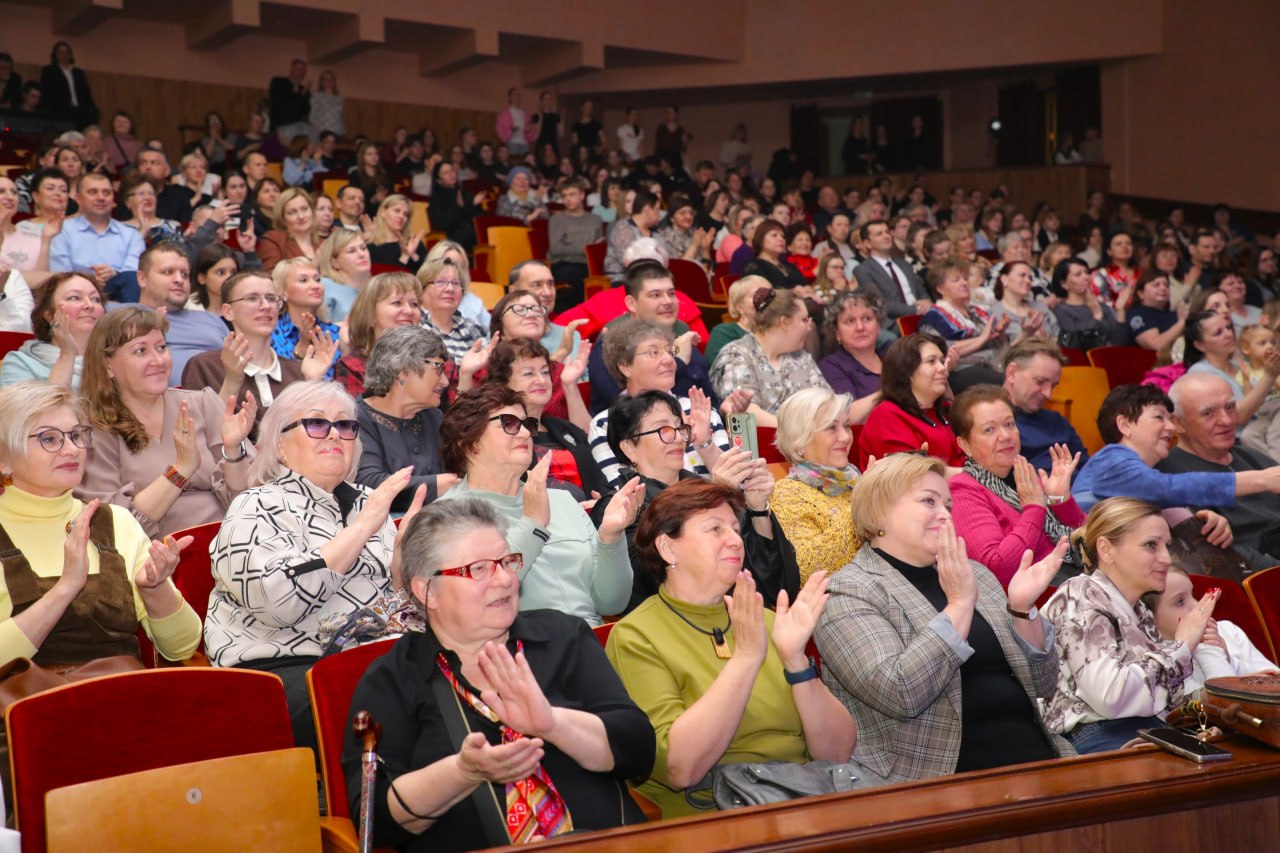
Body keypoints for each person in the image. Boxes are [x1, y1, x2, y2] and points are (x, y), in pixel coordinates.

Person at [342, 497, 654, 852]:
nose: (505, 579)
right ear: (426, 590)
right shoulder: (393, 679)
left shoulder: (563, 637)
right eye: (479, 569)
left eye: (507, 562)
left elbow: (638, 750)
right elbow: (374, 821)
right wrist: (463, 772)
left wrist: (553, 724)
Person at [605, 477, 859, 817]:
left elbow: (837, 753)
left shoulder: (765, 620)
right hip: (716, 815)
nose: (735, 540)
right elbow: (681, 769)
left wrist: (796, 660)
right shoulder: (636, 637)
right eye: (714, 529)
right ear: (668, 548)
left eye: (734, 528)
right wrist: (745, 658)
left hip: (802, 799)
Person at [815, 452, 1073, 780]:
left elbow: (1044, 683)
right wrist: (960, 604)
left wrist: (1021, 609)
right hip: (934, 781)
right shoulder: (848, 591)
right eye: (928, 501)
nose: (946, 515)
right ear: (878, 511)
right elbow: (900, 692)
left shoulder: (975, 574)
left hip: (1036, 759)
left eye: (947, 506)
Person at [205, 380, 416, 749]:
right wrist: (362, 527)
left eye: (346, 425)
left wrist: (401, 564)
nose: (335, 434)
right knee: (405, 701)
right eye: (317, 424)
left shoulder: (369, 502)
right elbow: (281, 604)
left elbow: (394, 608)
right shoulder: (255, 506)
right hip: (283, 674)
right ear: (280, 446)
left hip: (371, 662)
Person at [0, 382, 202, 668]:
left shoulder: (116, 522)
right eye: (49, 439)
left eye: (75, 435)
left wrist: (155, 589)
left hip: (124, 699)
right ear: (4, 459)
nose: (71, 449)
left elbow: (182, 648)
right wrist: (66, 587)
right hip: (29, 708)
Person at [438, 385, 641, 626]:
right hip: (517, 651)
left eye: (527, 424)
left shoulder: (561, 500)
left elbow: (611, 603)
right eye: (509, 423)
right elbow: (483, 598)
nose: (525, 433)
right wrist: (533, 524)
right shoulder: (448, 516)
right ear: (469, 444)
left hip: (591, 642)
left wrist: (610, 536)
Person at [594, 391, 797, 612]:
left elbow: (780, 584)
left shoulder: (707, 487)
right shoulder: (621, 508)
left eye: (680, 428)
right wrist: (714, 498)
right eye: (664, 430)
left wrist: (758, 510)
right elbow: (653, 578)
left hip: (749, 612)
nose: (680, 438)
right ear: (630, 447)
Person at [1042, 498, 1219, 753]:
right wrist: (1182, 646)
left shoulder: (1140, 611)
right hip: (1096, 737)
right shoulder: (1081, 593)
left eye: (1166, 546)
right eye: (1151, 545)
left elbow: (1160, 695)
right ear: (1106, 550)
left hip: (1145, 729)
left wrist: (1209, 712)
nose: (1166, 558)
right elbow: (1111, 698)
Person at [76, 308, 254, 540]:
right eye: (141, 351)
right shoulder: (93, 428)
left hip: (234, 544)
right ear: (108, 366)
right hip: (156, 560)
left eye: (161, 347)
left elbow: (251, 499)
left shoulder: (202, 402)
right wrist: (181, 470)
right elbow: (113, 525)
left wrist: (233, 452)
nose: (158, 360)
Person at [948, 385, 1085, 585]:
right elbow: (996, 570)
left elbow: (1089, 540)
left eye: (1009, 424)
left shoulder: (1027, 475)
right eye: (989, 429)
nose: (1005, 435)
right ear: (965, 444)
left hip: (1073, 578)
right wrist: (1034, 508)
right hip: (1035, 599)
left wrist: (1060, 500)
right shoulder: (963, 491)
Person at [589, 317, 734, 487]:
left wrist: (704, 444)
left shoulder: (698, 410)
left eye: (670, 351)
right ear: (625, 366)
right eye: (654, 353)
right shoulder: (606, 423)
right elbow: (621, 489)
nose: (669, 360)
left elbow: (732, 484)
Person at [181, 271, 333, 431]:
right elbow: (199, 435)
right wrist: (231, 381)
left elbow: (320, 434)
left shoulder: (299, 371)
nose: (266, 306)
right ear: (228, 311)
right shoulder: (204, 366)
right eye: (252, 298)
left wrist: (313, 382)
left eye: (271, 298)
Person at [1159, 372, 1280, 569]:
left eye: (1230, 407)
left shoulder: (1250, 455)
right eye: (1208, 413)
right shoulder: (1172, 478)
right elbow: (1223, 555)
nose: (1226, 420)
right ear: (1178, 423)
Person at [585, 259, 715, 414]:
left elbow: (708, 397)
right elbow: (628, 406)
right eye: (655, 295)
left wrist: (726, 409)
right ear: (632, 303)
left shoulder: (681, 333)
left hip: (701, 429)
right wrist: (678, 361)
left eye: (671, 293)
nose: (667, 301)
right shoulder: (612, 344)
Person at [486, 337, 604, 497]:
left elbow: (591, 442)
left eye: (545, 372)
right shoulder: (500, 433)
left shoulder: (564, 428)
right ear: (503, 382)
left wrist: (569, 385)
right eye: (529, 373)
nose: (541, 380)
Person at [355, 326, 455, 512]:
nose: (445, 381)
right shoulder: (356, 419)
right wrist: (438, 484)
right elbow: (367, 485)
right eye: (438, 368)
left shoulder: (434, 417)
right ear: (403, 371)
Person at [771, 388, 864, 584]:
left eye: (847, 426)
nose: (846, 437)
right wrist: (865, 506)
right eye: (832, 428)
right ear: (800, 441)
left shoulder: (858, 481)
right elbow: (806, 569)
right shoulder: (787, 494)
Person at [1143, 567, 1278, 695]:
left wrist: (1229, 659)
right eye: (1180, 602)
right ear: (1149, 618)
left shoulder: (1226, 629)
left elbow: (1275, 678)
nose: (1197, 605)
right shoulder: (1157, 662)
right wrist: (1207, 648)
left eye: (1193, 594)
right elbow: (1222, 704)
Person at [710, 288, 829, 428]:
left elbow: (828, 403)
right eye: (804, 320)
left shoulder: (801, 356)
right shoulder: (737, 354)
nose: (809, 327)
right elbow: (747, 412)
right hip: (765, 445)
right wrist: (804, 434)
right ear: (784, 322)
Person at [123, 241, 229, 385]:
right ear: (142, 278)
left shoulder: (212, 320)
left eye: (184, 274)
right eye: (168, 272)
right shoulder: (120, 315)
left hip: (223, 399)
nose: (179, 280)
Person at [857, 333, 964, 471]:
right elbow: (914, 477)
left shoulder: (946, 409)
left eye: (942, 361)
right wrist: (977, 476)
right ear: (907, 371)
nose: (943, 368)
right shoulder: (887, 418)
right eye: (931, 361)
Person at [49, 173, 144, 303]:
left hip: (120, 294)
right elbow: (59, 273)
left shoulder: (131, 235)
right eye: (93, 192)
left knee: (132, 278)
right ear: (78, 198)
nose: (101, 198)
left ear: (113, 199)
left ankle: (130, 321)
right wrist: (89, 278)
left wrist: (114, 273)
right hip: (75, 292)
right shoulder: (62, 231)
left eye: (106, 193)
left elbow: (134, 274)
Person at [0, 272, 103, 390]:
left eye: (95, 299)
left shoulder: (114, 359)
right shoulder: (21, 363)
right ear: (49, 315)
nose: (89, 305)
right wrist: (67, 354)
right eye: (74, 298)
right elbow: (52, 408)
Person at [1002, 339, 1088, 473]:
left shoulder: (1058, 422)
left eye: (1053, 386)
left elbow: (1087, 469)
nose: (1048, 394)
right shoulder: (994, 425)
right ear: (1012, 373)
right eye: (1040, 382)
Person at [919, 262, 1011, 386]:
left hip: (995, 361)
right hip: (963, 369)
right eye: (956, 280)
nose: (964, 283)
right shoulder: (933, 316)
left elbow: (998, 345)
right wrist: (981, 339)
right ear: (940, 288)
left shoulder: (977, 312)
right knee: (1010, 381)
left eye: (965, 279)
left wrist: (1000, 333)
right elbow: (942, 350)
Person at [334, 271, 423, 398]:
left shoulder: (435, 362)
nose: (409, 311)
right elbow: (356, 416)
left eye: (414, 304)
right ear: (370, 315)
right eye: (397, 302)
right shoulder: (353, 366)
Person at [818, 290, 885, 422]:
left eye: (867, 319)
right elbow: (847, 416)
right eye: (850, 321)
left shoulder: (892, 358)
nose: (860, 327)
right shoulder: (831, 366)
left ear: (878, 326)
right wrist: (891, 391)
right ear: (837, 332)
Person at [853, 219, 930, 330]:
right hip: (894, 322)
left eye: (887, 232)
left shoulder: (904, 264)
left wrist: (926, 303)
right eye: (879, 234)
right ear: (867, 244)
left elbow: (921, 291)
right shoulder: (863, 270)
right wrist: (916, 310)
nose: (886, 236)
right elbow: (880, 303)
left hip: (922, 315)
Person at [271, 257, 340, 374]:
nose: (315, 286)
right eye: (303, 280)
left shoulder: (333, 331)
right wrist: (303, 344)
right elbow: (284, 381)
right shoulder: (270, 332)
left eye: (317, 279)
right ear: (282, 292)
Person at [418, 256, 487, 366]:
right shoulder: (413, 328)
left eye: (455, 283)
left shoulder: (471, 328)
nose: (450, 289)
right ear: (421, 290)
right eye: (441, 282)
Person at [548, 177, 603, 312]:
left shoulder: (595, 220)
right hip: (563, 264)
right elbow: (556, 249)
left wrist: (571, 244)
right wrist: (586, 247)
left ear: (582, 195)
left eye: (572, 194)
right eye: (564, 196)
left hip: (587, 266)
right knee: (573, 276)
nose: (568, 199)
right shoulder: (557, 219)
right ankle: (578, 314)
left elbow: (596, 249)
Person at [1051, 257, 1129, 350]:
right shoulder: (1061, 310)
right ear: (1064, 284)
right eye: (1078, 274)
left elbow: (1121, 343)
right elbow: (1074, 344)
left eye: (1087, 272)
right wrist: (1097, 316)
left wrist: (1120, 310)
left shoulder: (1103, 307)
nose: (1086, 277)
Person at [705, 275, 769, 370]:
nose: (767, 301)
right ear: (740, 307)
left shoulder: (781, 330)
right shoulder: (724, 332)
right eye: (758, 296)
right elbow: (726, 369)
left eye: (770, 295)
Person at [0, 175, 58, 275]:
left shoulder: (32, 233)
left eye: (14, 192)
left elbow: (41, 279)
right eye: (1, 191)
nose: (10, 197)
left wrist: (46, 240)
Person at [990, 260, 1058, 341]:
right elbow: (998, 351)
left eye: (1030, 278)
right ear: (1004, 279)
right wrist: (1025, 335)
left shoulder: (1041, 308)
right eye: (1022, 275)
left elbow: (1058, 337)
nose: (1028, 281)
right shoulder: (993, 313)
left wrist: (1044, 336)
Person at [316, 228, 372, 323]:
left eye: (363, 248)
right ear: (334, 262)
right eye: (351, 251)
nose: (361, 254)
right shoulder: (324, 287)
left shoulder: (377, 287)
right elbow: (321, 329)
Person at [428, 161, 484, 253]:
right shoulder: (436, 199)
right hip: (452, 239)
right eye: (446, 173)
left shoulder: (465, 193)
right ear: (439, 180)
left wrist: (473, 204)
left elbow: (477, 218)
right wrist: (459, 207)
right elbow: (442, 224)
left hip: (472, 237)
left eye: (452, 171)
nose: (451, 174)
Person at [257, 188, 318, 271]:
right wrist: (316, 262)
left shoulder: (324, 243)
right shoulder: (273, 240)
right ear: (283, 218)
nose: (301, 216)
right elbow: (273, 276)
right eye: (292, 212)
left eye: (304, 209)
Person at [39, 41, 98, 127]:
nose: (64, 55)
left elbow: (86, 92)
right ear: (55, 55)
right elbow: (47, 93)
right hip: (60, 111)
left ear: (71, 54)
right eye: (61, 52)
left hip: (80, 111)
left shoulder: (78, 73)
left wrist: (91, 108)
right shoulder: (49, 71)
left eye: (67, 52)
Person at [1128, 270, 1189, 353]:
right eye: (1156, 285)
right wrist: (1181, 323)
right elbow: (1155, 346)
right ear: (1141, 293)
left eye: (1166, 285)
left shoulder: (1175, 314)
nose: (1163, 288)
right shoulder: (1137, 314)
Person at [740, 220, 807, 291]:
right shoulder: (753, 266)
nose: (781, 239)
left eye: (783, 236)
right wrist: (793, 292)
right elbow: (759, 296)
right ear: (760, 239)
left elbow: (806, 286)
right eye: (774, 235)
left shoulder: (789, 265)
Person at [368, 194, 427, 272]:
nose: (401, 216)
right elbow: (384, 281)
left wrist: (413, 255)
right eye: (397, 211)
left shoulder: (413, 243)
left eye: (405, 214)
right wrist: (405, 257)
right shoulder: (372, 247)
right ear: (383, 212)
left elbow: (428, 274)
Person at [268, 59, 312, 143]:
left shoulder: (304, 90)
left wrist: (303, 94)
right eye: (299, 69)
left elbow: (305, 111)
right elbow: (276, 100)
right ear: (292, 68)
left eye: (303, 70)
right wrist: (294, 92)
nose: (301, 72)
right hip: (279, 127)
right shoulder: (278, 82)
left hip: (295, 131)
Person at [309, 70, 344, 138]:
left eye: (331, 78)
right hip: (321, 132)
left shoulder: (339, 98)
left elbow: (340, 117)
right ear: (321, 82)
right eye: (326, 79)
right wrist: (317, 130)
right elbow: (312, 115)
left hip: (338, 132)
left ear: (334, 82)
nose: (328, 81)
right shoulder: (316, 96)